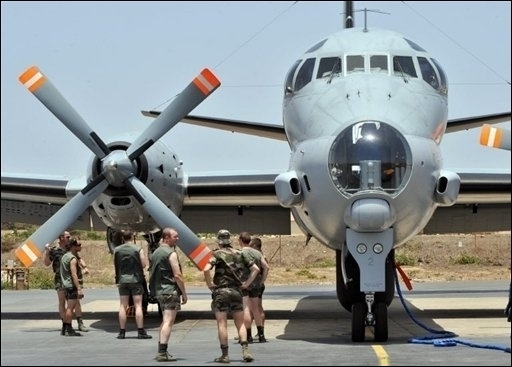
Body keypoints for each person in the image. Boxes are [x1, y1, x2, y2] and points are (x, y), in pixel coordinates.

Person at [203, 229, 260, 363]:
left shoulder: (216, 254)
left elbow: (206, 269)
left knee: (222, 324)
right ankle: (245, 351)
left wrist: (210, 284)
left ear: (219, 241)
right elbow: (256, 269)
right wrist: (246, 284)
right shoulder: (240, 253)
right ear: (230, 240)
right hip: (236, 292)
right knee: (240, 323)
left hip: (221, 292)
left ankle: (225, 355)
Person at [149, 227, 188, 362]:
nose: (177, 238)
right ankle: (162, 352)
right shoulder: (171, 253)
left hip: (159, 291)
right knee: (168, 322)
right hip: (170, 290)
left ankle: (161, 350)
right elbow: (177, 274)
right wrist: (184, 292)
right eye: (175, 236)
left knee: (165, 321)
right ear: (166, 237)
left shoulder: (156, 253)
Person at [43, 231, 88, 334]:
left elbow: (79, 259)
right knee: (62, 302)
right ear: (61, 238)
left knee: (75, 302)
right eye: (68, 236)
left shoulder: (71, 251)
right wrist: (46, 252)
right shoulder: (54, 250)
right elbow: (46, 263)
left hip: (69, 279)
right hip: (60, 278)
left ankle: (80, 323)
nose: (69, 238)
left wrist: (85, 268)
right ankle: (65, 324)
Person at [113, 230, 152, 340]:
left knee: (123, 306)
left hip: (122, 280)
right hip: (135, 279)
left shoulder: (117, 250)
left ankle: (122, 332)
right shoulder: (137, 249)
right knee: (138, 305)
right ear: (132, 236)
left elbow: (115, 263)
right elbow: (144, 264)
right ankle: (140, 331)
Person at [238, 232, 269, 343]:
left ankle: (249, 336)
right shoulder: (257, 253)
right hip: (256, 285)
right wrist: (262, 281)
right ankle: (261, 335)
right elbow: (266, 267)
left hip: (244, 285)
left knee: (246, 309)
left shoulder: (239, 253)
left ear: (240, 240)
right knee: (256, 309)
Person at [59, 237, 84, 336]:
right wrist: (79, 288)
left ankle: (64, 327)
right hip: (71, 286)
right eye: (78, 245)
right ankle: (69, 328)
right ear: (73, 246)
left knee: (67, 307)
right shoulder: (72, 259)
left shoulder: (65, 256)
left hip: (64, 285)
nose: (80, 247)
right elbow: (74, 274)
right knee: (70, 307)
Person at [249, 237, 270, 342]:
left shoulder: (259, 256)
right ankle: (257, 331)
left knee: (256, 308)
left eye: (251, 245)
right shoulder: (260, 255)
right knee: (256, 308)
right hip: (258, 284)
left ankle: (258, 332)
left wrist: (262, 281)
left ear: (255, 246)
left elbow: (266, 268)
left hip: (255, 285)